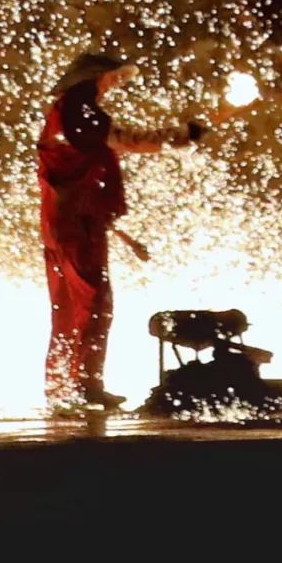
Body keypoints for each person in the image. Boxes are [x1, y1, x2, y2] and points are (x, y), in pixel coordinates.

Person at [37, 50, 207, 412]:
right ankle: (84, 386)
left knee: (67, 308)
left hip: (62, 222)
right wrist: (180, 136)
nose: (114, 83)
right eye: (110, 76)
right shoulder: (79, 110)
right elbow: (124, 139)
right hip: (77, 224)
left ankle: (61, 386)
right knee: (94, 303)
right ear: (91, 76)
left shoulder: (66, 112)